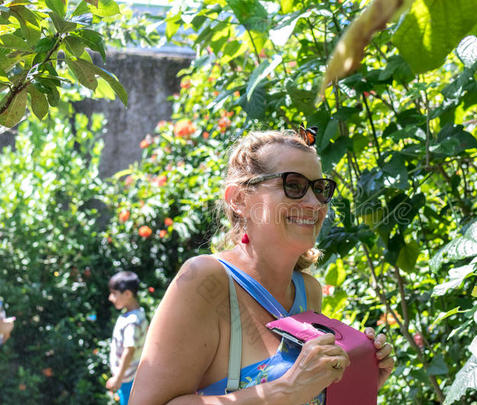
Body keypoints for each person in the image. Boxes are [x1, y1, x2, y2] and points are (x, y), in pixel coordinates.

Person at [129, 130, 394, 404]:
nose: (315, 204)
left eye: (320, 189)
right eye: (294, 185)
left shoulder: (307, 291)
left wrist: (356, 379)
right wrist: (286, 390)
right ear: (240, 200)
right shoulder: (205, 280)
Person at [107, 271, 149, 405]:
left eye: (114, 294)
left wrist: (118, 378)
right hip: (133, 375)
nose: (110, 298)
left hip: (127, 378)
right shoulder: (140, 314)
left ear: (127, 294)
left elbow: (129, 350)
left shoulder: (132, 322)